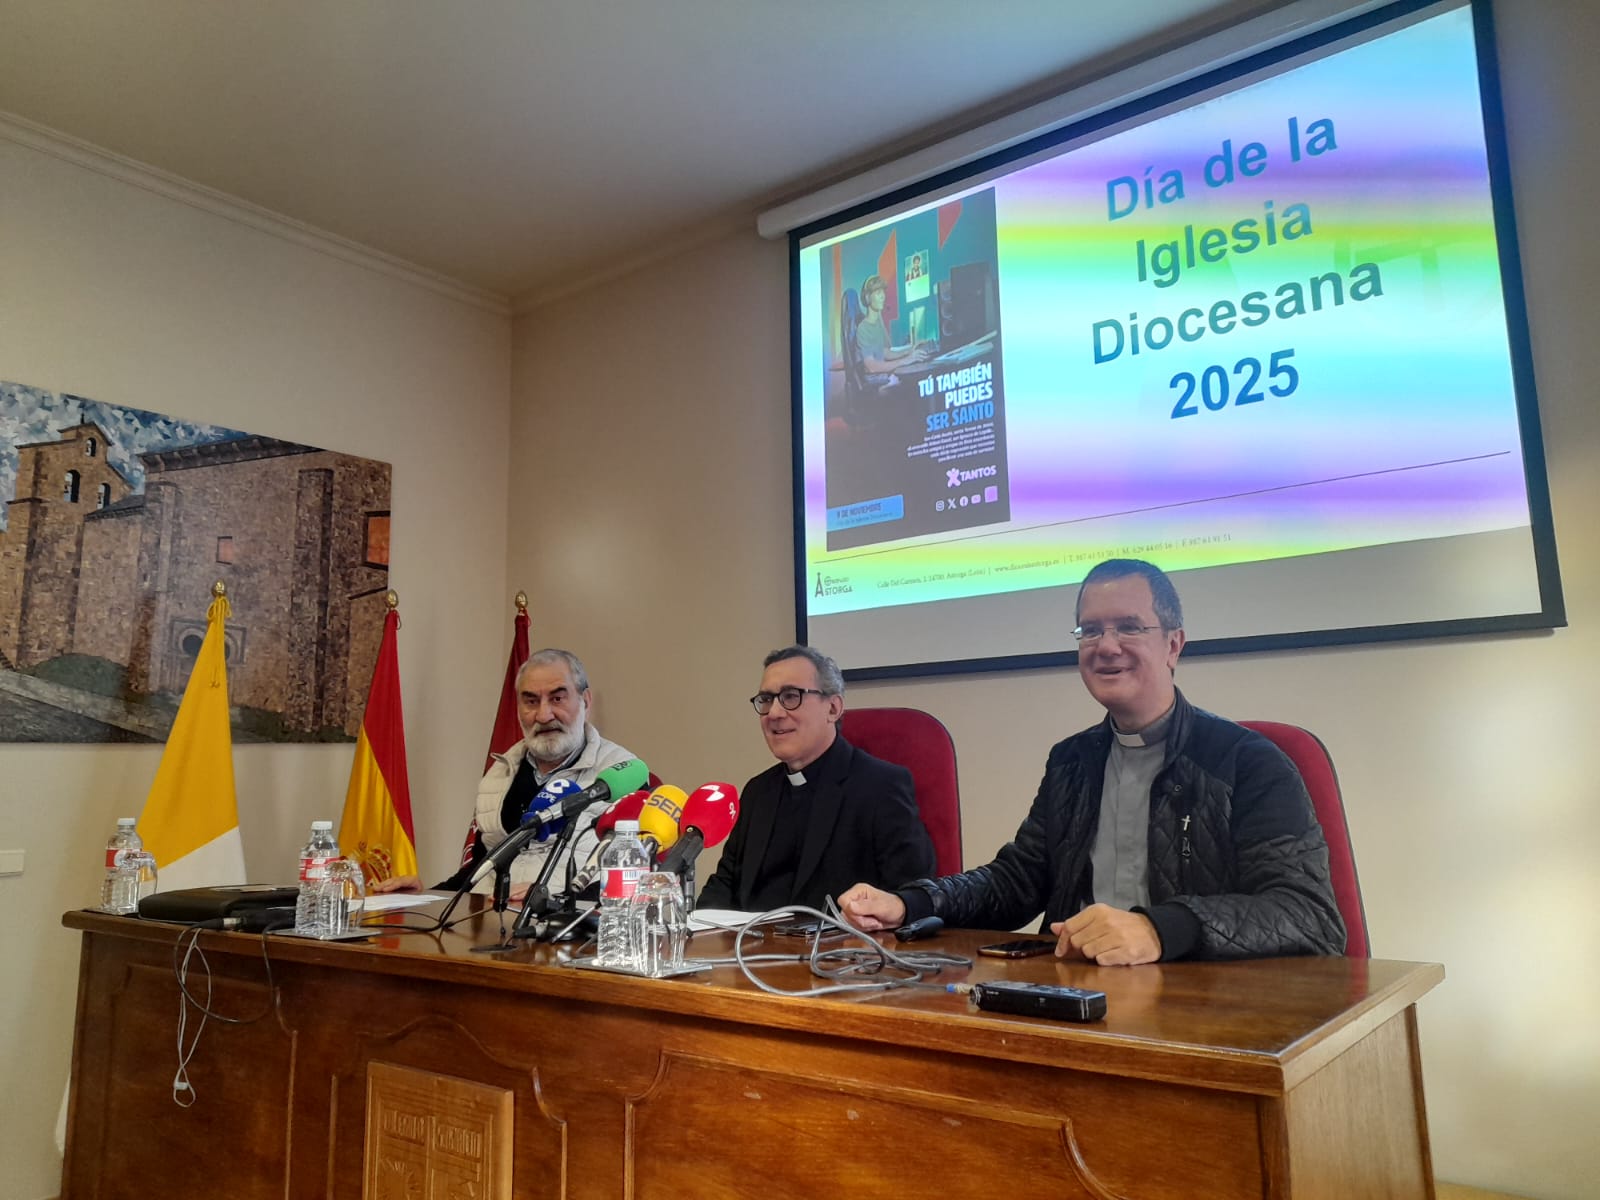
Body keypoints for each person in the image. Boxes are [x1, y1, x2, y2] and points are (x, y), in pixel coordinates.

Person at [841, 559, 1345, 964]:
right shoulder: (1072, 762)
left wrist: (1159, 929)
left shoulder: (1249, 763)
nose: (1106, 647)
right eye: (1090, 630)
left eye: (1128, 627)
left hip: (1202, 1008)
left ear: (1173, 644)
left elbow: (1309, 915)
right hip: (1077, 995)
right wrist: (910, 902)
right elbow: (1016, 882)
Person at [373, 648, 640, 896]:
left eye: (557, 698)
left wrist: (553, 900)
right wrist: (428, 897)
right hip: (493, 927)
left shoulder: (624, 776)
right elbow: (481, 867)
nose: (544, 715)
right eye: (531, 701)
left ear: (585, 701)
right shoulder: (499, 774)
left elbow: (638, 878)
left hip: (572, 936)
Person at [698, 644, 936, 913]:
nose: (774, 713)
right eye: (766, 699)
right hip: (747, 951)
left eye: (791, 696)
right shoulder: (757, 792)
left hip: (841, 952)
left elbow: (914, 897)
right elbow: (723, 887)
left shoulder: (881, 786)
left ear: (833, 709)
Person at [854, 274, 929, 378]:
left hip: (886, 376)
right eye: (878, 293)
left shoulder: (878, 323)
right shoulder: (863, 329)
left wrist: (909, 351)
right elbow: (872, 367)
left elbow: (884, 353)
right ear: (867, 298)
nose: (882, 296)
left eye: (883, 292)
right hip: (879, 381)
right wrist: (905, 360)